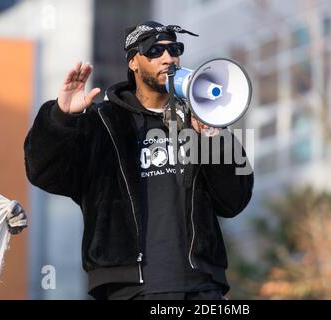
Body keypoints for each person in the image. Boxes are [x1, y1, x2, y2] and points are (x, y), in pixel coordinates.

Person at [24, 21, 253, 300]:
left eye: (174, 49)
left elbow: (234, 200)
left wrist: (213, 137)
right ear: (133, 62)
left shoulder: (202, 118)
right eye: (155, 50)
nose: (169, 58)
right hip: (128, 289)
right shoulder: (103, 124)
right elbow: (43, 172)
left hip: (201, 285)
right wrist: (61, 117)